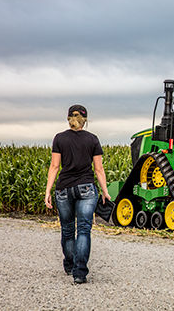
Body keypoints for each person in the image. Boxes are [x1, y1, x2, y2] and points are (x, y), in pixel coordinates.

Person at [45, 104, 110, 284]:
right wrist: (105, 192)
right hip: (86, 189)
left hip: (64, 188)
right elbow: (99, 169)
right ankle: (79, 273)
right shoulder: (93, 139)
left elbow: (54, 167)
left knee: (67, 230)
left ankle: (70, 264)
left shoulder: (59, 138)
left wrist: (48, 191)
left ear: (68, 119)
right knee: (83, 230)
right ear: (85, 120)